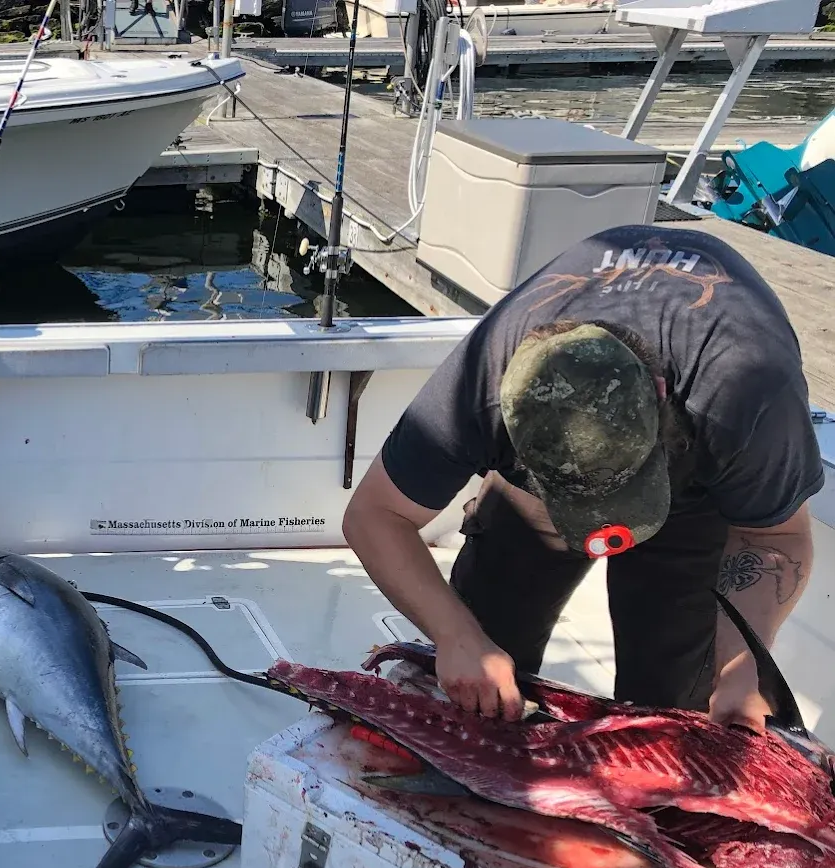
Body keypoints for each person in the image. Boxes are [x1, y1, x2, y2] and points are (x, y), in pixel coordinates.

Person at [343, 224, 822, 729]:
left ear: (660, 390)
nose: (602, 536)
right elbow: (374, 514)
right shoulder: (479, 386)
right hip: (540, 487)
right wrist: (456, 637)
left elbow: (778, 535)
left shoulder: (744, 389)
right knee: (484, 662)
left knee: (670, 706)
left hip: (691, 490)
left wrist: (743, 666)